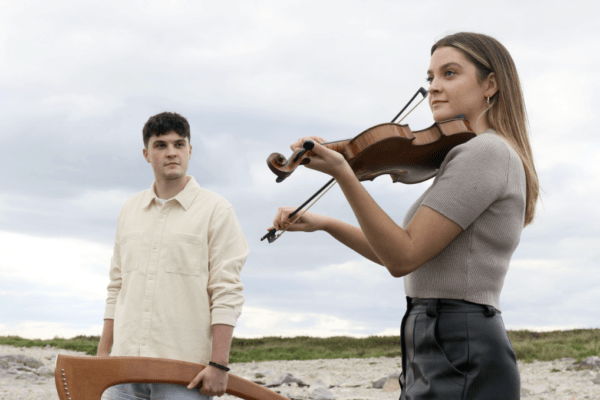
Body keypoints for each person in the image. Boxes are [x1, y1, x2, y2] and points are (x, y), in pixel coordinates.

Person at [270, 32, 539, 399]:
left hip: (458, 342)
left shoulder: (486, 152)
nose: (434, 87)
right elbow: (397, 252)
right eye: (430, 77)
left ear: (490, 84)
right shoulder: (476, 153)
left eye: (449, 73)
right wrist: (326, 224)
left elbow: (403, 257)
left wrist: (344, 173)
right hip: (443, 338)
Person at [97, 112, 249, 400]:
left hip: (183, 375)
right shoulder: (129, 210)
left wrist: (219, 364)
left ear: (190, 150)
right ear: (146, 154)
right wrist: (103, 354)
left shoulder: (217, 210)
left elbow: (226, 291)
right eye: (161, 145)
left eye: (179, 144)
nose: (171, 153)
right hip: (122, 372)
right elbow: (116, 286)